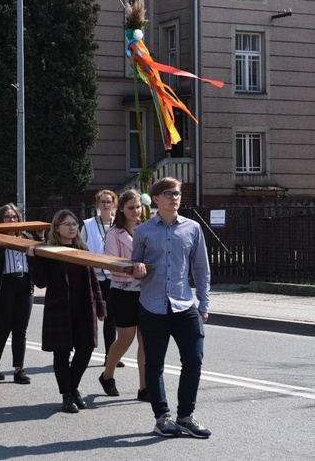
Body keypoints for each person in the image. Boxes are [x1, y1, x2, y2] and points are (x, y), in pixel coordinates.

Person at [132, 177, 211, 438]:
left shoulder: (192, 228)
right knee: (154, 364)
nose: (174, 197)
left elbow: (201, 268)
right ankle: (162, 417)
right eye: (168, 193)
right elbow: (134, 268)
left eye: (176, 193)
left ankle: (186, 416)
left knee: (194, 359)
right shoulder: (143, 231)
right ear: (155, 199)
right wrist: (138, 271)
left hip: (184, 304)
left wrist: (204, 303)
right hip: (153, 305)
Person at [27, 209, 106, 414]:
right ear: (57, 228)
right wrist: (33, 259)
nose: (72, 228)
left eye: (74, 224)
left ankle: (73, 388)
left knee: (86, 348)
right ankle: (67, 395)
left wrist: (100, 303)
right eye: (67, 224)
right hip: (60, 307)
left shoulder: (81, 248)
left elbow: (93, 279)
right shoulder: (49, 250)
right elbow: (41, 281)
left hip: (84, 306)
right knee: (61, 353)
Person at [99, 189, 147, 400]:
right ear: (121, 210)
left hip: (147, 291)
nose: (136, 211)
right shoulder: (114, 233)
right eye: (131, 208)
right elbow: (111, 264)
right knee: (125, 339)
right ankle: (107, 375)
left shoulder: (147, 229)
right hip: (123, 291)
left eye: (138, 207)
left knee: (146, 340)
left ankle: (144, 388)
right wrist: (133, 268)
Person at [0, 203, 38, 384]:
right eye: (7, 217)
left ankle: (18, 369)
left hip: (24, 284)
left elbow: (37, 260)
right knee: (3, 328)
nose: (11, 220)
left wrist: (36, 246)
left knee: (20, 330)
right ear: (1, 220)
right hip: (4, 285)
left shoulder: (26, 237)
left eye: (14, 217)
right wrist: (1, 245)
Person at [81, 189, 121, 367]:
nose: (105, 204)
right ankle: (83, 352)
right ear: (97, 204)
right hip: (93, 277)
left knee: (111, 319)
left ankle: (109, 356)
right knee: (90, 317)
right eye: (102, 201)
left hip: (113, 277)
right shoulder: (88, 224)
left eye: (108, 201)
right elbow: (80, 250)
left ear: (114, 204)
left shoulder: (119, 224)